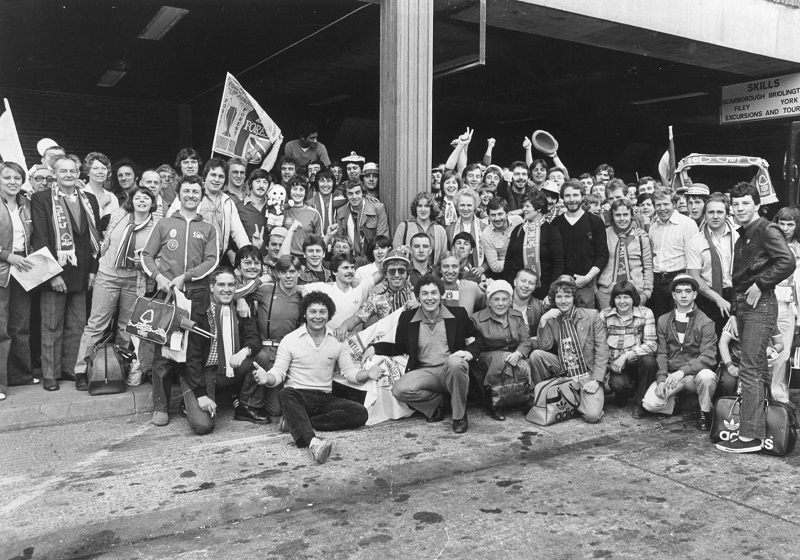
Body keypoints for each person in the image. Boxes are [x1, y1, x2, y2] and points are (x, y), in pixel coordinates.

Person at [716, 183, 795, 452]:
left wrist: (761, 284)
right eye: (735, 204)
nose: (739, 209)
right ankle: (757, 430)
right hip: (747, 307)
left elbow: (787, 260)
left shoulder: (766, 229)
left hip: (762, 305)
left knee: (750, 369)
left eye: (745, 203)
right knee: (757, 369)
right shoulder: (744, 235)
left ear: (757, 205)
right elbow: (740, 282)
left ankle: (750, 437)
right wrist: (736, 315)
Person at [255, 291, 375, 464]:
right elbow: (278, 373)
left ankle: (296, 422)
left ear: (329, 314)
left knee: (360, 413)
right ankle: (313, 442)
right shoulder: (290, 340)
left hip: (325, 397)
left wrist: (367, 374)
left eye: (322, 312)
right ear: (304, 313)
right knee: (285, 393)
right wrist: (267, 378)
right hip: (298, 396)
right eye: (313, 311)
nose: (317, 316)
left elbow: (349, 372)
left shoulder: (338, 340)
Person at [141, 174, 219, 426]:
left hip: (195, 293)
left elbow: (212, 261)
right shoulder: (164, 223)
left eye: (196, 192)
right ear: (179, 193)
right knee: (163, 348)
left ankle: (190, 399)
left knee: (193, 347)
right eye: (186, 191)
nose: (191, 195)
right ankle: (161, 406)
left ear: (201, 196)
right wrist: (159, 277)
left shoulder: (208, 228)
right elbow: (147, 255)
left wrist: (186, 277)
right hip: (166, 293)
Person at [367, 274, 481, 433]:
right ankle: (438, 403)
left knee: (456, 362)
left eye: (434, 293)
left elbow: (478, 339)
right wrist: (376, 347)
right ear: (418, 297)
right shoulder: (408, 318)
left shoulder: (458, 314)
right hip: (426, 371)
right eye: (425, 293)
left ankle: (459, 416)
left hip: (452, 368)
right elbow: (400, 347)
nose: (430, 298)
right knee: (399, 390)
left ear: (441, 295)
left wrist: (470, 352)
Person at [73, 186, 157, 387]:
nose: (142, 200)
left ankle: (117, 368)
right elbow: (104, 242)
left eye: (147, 198)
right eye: (138, 197)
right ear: (131, 200)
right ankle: (82, 370)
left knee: (126, 327)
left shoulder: (156, 225)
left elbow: (158, 257)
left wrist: (143, 264)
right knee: (97, 323)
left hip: (135, 279)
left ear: (153, 202)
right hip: (108, 275)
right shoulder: (119, 215)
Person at [31, 155, 102, 392]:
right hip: (56, 273)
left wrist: (93, 271)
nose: (69, 175)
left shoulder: (89, 198)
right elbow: (40, 238)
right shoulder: (42, 199)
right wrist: (52, 274)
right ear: (55, 174)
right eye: (63, 171)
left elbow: (95, 239)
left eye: (73, 171)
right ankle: (50, 374)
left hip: (81, 273)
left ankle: (73, 369)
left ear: (79, 173)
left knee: (78, 325)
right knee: (52, 325)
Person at [181, 268, 267, 434]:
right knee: (203, 426)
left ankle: (246, 406)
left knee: (260, 357)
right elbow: (191, 359)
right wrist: (200, 395)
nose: (227, 289)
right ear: (212, 287)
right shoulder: (197, 312)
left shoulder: (240, 308)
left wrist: (244, 352)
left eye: (231, 285)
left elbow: (254, 338)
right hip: (201, 372)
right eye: (221, 284)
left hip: (228, 368)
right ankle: (190, 399)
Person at [528, 275, 608, 423]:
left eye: (567, 296)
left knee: (592, 416)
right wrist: (543, 321)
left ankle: (573, 401)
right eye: (559, 296)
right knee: (536, 355)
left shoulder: (591, 316)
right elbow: (545, 346)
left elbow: (602, 350)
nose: (563, 301)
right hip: (565, 370)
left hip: (587, 373)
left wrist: (596, 380)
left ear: (574, 297)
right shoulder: (552, 317)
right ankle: (543, 397)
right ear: (553, 298)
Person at [234, 252, 303, 420]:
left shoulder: (302, 295)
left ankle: (262, 397)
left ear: (299, 273)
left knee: (276, 410)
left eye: (292, 271)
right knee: (262, 358)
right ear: (278, 274)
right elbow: (234, 293)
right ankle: (247, 403)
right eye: (284, 272)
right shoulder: (267, 290)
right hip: (264, 349)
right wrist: (242, 299)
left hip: (285, 353)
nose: (288, 276)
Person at [643, 274, 717, 430]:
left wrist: (683, 372)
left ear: (695, 294)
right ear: (673, 295)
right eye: (679, 291)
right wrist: (662, 379)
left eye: (688, 291)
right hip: (673, 376)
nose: (683, 295)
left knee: (707, 376)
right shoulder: (663, 320)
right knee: (649, 404)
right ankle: (676, 401)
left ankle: (704, 411)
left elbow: (708, 357)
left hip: (693, 375)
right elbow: (662, 353)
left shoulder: (706, 322)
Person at [166, 158, 252, 266]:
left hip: (216, 260)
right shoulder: (191, 194)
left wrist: (249, 253)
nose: (217, 179)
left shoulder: (228, 202)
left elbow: (238, 232)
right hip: (188, 260)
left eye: (221, 176)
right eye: (213, 175)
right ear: (205, 176)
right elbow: (169, 222)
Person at [0, 162, 37, 398]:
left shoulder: (26, 205)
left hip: (22, 271)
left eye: (17, 178)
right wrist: (8, 256)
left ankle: (20, 375)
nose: (12, 181)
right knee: (0, 329)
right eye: (6, 178)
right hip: (2, 270)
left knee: (20, 326)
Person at [472, 280, 532, 421]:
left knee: (529, 361)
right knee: (500, 359)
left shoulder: (516, 316)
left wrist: (518, 353)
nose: (501, 303)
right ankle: (494, 404)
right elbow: (474, 345)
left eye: (505, 299)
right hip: (486, 356)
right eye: (496, 299)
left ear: (510, 301)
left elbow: (526, 340)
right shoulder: (477, 319)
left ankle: (525, 398)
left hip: (513, 354)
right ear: (488, 301)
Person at [599, 281, 658, 416]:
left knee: (649, 362)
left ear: (634, 299)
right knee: (619, 385)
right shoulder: (605, 315)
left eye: (626, 297)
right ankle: (625, 392)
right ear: (613, 299)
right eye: (618, 297)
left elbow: (651, 344)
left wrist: (625, 356)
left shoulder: (645, 313)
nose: (622, 301)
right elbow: (599, 344)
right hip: (615, 366)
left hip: (636, 362)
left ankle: (640, 404)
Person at [686, 193, 738, 338]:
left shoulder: (739, 237)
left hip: (737, 295)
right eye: (711, 212)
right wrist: (718, 299)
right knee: (711, 343)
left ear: (727, 214)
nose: (715, 216)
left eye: (720, 212)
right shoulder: (695, 241)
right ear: (705, 215)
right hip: (708, 298)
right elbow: (695, 277)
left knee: (738, 342)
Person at [551, 179, 609, 308]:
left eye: (575, 195)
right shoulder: (556, 224)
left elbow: (602, 255)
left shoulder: (595, 222)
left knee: (586, 323)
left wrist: (588, 278)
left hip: (586, 286)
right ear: (562, 198)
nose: (572, 199)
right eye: (567, 195)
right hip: (562, 287)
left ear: (583, 197)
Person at [648, 187, 699, 321]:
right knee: (661, 320)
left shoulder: (687, 224)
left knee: (679, 319)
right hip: (658, 280)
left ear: (674, 204)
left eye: (666, 204)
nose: (662, 208)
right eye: (658, 205)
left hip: (678, 278)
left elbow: (692, 257)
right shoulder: (653, 228)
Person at [503, 190, 564, 299]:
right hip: (517, 292)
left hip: (543, 292)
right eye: (523, 206)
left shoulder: (551, 232)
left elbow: (558, 264)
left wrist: (551, 293)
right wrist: (508, 287)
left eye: (527, 206)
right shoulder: (518, 230)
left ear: (539, 208)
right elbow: (509, 260)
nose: (523, 210)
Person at [340, 249, 415, 332]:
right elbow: (354, 320)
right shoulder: (377, 298)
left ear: (407, 273)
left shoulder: (415, 294)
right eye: (392, 271)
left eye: (401, 271)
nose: (397, 275)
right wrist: (343, 327)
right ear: (385, 274)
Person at [596, 199, 653, 310]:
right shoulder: (604, 235)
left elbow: (648, 267)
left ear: (631, 216)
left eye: (625, 215)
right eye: (618, 215)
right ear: (612, 216)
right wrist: (596, 292)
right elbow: (595, 262)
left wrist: (647, 293)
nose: (622, 219)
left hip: (635, 292)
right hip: (607, 293)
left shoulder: (641, 237)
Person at [770, 206, 800, 403]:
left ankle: (779, 399)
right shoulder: (768, 245)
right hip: (768, 302)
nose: (786, 228)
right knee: (764, 351)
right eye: (782, 223)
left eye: (790, 224)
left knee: (783, 353)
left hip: (789, 305)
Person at [335, 180, 389, 258]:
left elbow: (382, 238)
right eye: (350, 193)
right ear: (346, 195)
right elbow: (340, 240)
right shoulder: (341, 212)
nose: (354, 197)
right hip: (350, 258)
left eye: (357, 193)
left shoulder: (377, 208)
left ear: (363, 193)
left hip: (372, 256)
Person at [394, 192, 448, 265]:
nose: (423, 210)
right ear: (415, 208)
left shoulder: (440, 230)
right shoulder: (404, 226)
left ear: (431, 208)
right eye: (419, 206)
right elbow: (396, 255)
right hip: (410, 273)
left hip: (433, 274)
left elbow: (443, 257)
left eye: (426, 206)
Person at [482, 199, 523, 280]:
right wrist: (518, 261)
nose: (497, 218)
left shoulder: (518, 221)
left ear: (507, 214)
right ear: (489, 217)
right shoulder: (486, 235)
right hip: (505, 273)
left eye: (500, 214)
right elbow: (495, 266)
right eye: (493, 215)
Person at [282, 176, 322, 258]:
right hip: (286, 256)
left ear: (305, 192)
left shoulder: (314, 213)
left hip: (306, 258)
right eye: (295, 189)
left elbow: (319, 241)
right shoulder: (282, 211)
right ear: (289, 191)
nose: (298, 193)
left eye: (301, 189)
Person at [236, 169, 271, 259]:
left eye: (265, 182)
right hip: (246, 259)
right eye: (258, 182)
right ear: (250, 184)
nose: (261, 186)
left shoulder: (273, 208)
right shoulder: (239, 207)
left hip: (269, 261)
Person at [81, 152, 118, 231]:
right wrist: (100, 205)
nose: (100, 172)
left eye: (104, 168)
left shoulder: (112, 197)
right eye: (95, 168)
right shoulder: (81, 193)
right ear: (87, 172)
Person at [309, 168, 346, 237]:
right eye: (322, 181)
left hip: (336, 242)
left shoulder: (341, 201)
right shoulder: (310, 203)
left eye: (329, 181)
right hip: (316, 242)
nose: (325, 185)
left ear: (333, 183)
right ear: (317, 182)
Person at [512, 268, 546, 338]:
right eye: (523, 281)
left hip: (530, 346)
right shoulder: (503, 301)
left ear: (534, 287)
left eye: (531, 283)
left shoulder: (540, 306)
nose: (526, 285)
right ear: (515, 282)